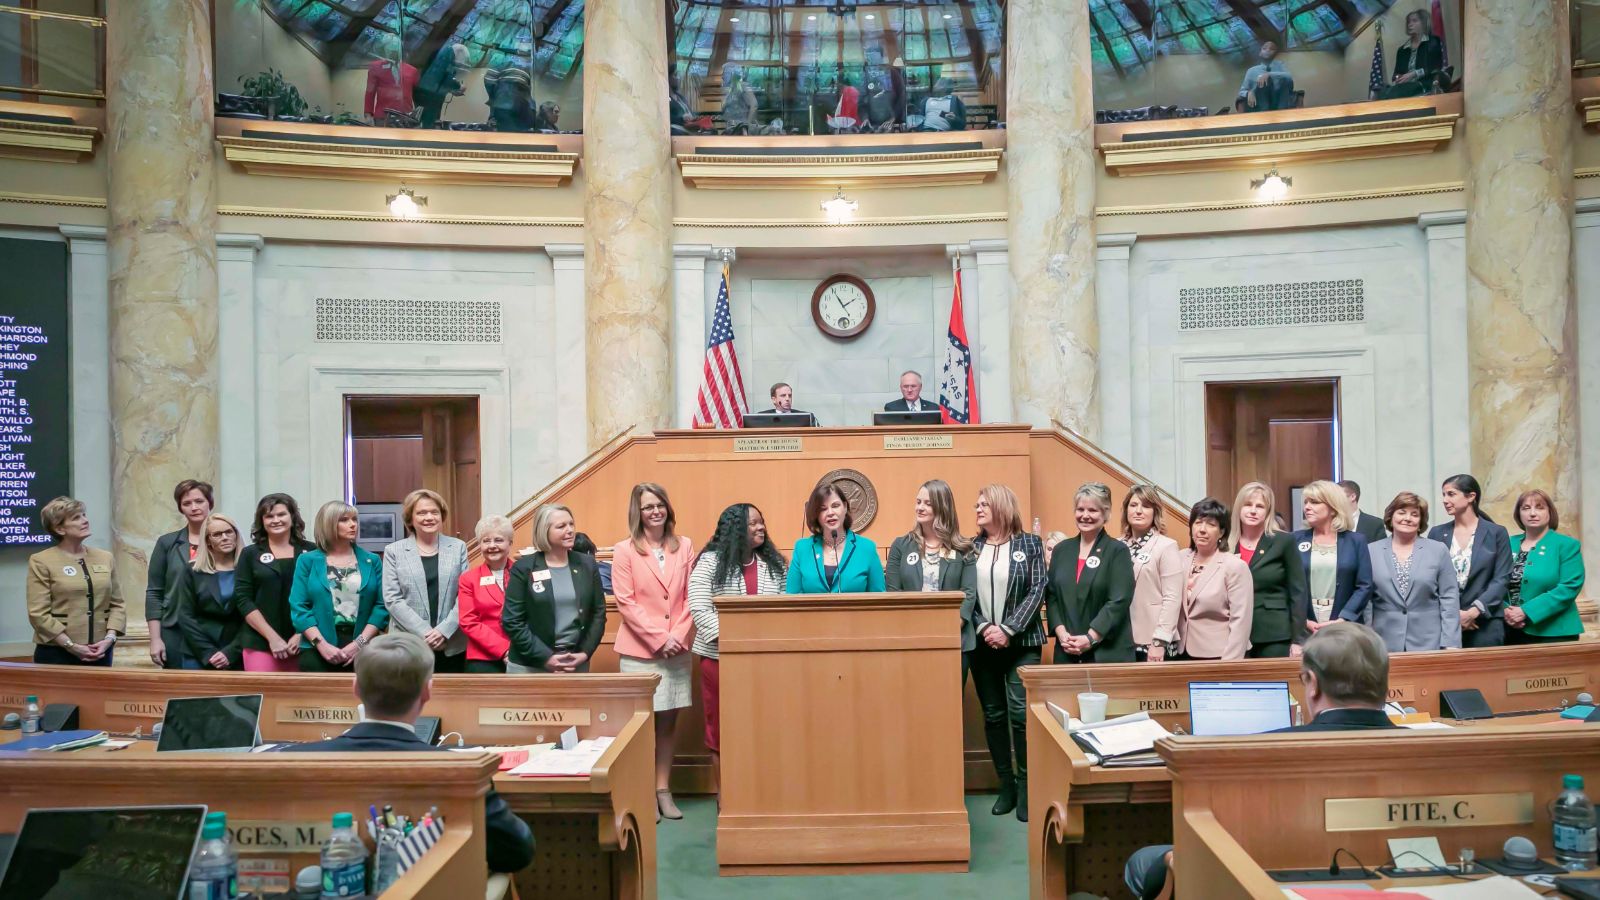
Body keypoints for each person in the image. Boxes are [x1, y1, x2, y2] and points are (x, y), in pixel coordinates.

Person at [1123, 622, 1395, 900]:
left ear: (1312, 684)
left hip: (1264, 883)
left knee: (1145, 860)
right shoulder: (1425, 748)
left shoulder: (1258, 752)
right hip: (1395, 883)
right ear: (1384, 684)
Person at [279, 632, 535, 875]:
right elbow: (517, 852)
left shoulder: (288, 761)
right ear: (427, 692)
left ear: (356, 688)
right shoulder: (463, 770)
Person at [612, 482, 697, 822]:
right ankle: (642, 791)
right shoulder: (624, 550)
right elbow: (626, 602)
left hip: (677, 650)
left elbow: (692, 595)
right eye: (648, 506)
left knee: (667, 724)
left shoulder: (684, 545)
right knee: (641, 727)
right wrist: (659, 639)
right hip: (640, 652)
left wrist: (677, 635)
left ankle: (663, 790)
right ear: (639, 512)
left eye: (659, 504)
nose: (655, 511)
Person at [687, 503, 786, 796]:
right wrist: (737, 642)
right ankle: (726, 797)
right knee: (721, 727)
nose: (761, 527)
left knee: (765, 726)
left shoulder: (774, 563)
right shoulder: (709, 562)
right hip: (720, 660)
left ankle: (762, 793)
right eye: (753, 523)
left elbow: (785, 606)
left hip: (767, 660)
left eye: (761, 521)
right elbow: (699, 608)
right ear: (735, 528)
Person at [969, 483, 1047, 823]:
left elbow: (1038, 588)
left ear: (1001, 506)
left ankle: (1027, 786)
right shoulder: (970, 548)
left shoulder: (1030, 544)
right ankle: (1007, 786)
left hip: (1022, 644)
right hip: (982, 644)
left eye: (984, 504)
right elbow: (965, 594)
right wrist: (985, 627)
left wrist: (1009, 629)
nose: (977, 509)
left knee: (1020, 715)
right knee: (994, 715)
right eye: (977, 504)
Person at [502, 504, 607, 677]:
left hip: (574, 662)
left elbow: (598, 613)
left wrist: (585, 652)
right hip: (529, 665)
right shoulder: (524, 568)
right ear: (544, 531)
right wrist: (545, 657)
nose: (570, 530)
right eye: (561, 526)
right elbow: (512, 621)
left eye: (571, 524)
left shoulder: (587, 564)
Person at [886, 480, 976, 673]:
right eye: (918, 502)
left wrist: (951, 627)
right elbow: (893, 592)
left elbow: (968, 593)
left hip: (955, 636)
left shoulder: (963, 548)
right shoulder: (901, 545)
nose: (920, 507)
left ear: (942, 507)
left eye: (928, 503)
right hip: (911, 637)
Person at [289, 501, 387, 672]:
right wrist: (321, 644)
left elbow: (381, 606)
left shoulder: (372, 560)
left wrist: (359, 643)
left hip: (363, 646)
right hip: (317, 647)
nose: (353, 524)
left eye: (354, 519)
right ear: (328, 524)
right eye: (344, 520)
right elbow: (299, 607)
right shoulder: (307, 561)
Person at [26, 496, 123, 666]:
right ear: (59, 528)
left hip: (100, 650)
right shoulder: (41, 561)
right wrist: (71, 646)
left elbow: (117, 604)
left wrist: (110, 638)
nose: (85, 520)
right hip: (57, 652)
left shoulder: (105, 557)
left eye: (84, 515)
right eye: (76, 518)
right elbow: (38, 614)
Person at [1046, 482, 1135, 664]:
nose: (1085, 515)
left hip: (1106, 654)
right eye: (1080, 509)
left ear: (1105, 514)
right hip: (1067, 650)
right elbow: (1052, 596)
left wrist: (1091, 637)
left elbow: (1119, 601)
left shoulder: (1117, 551)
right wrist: (1061, 634)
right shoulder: (1061, 550)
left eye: (1093, 510)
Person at [383, 489, 469, 674]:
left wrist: (443, 631)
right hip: (408, 644)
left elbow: (465, 595)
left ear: (441, 516)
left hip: (450, 643)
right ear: (410, 518)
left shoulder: (458, 547)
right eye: (422, 513)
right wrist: (426, 633)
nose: (429, 517)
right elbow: (392, 599)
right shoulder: (394, 551)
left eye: (434, 512)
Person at [1424, 474, 1511, 648]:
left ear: (1471, 496)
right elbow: (1429, 578)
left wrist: (1473, 612)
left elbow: (1502, 578)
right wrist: (1454, 615)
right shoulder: (1437, 533)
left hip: (1486, 621)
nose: (1445, 500)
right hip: (1445, 621)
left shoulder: (1496, 533)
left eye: (1451, 494)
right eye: (1443, 495)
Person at [1366, 492, 1459, 652]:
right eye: (1402, 512)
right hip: (1383, 641)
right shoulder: (1370, 551)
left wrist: (1451, 642)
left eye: (1415, 514)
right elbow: (1366, 601)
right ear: (1391, 516)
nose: (1408, 518)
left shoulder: (1438, 550)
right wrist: (1366, 640)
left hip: (1429, 642)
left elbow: (1449, 598)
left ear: (1421, 521)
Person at [236, 493, 317, 672]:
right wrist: (272, 637)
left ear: (292, 517)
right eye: (269, 516)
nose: (276, 520)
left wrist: (302, 633)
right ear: (262, 521)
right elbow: (243, 600)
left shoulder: (312, 551)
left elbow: (319, 596)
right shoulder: (250, 554)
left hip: (305, 642)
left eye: (281, 514)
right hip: (260, 641)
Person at [1232, 482, 1311, 659]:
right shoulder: (1226, 542)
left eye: (1260, 506)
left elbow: (1298, 592)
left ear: (1268, 511)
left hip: (1274, 633)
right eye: (1248, 505)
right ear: (1238, 508)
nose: (1253, 511)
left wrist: (1298, 640)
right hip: (1232, 633)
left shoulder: (1283, 541)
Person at [145, 478, 213, 668]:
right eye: (187, 503)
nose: (194, 507)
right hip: (175, 630)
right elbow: (154, 593)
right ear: (180, 508)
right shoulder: (167, 543)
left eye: (199, 501)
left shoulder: (226, 540)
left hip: (215, 629)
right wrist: (155, 639)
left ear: (210, 503)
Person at [1175, 498, 1253, 661]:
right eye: (1198, 523)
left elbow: (1241, 620)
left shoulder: (1234, 566)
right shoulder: (1179, 558)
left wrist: (1230, 662)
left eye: (1211, 524)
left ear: (1222, 532)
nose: (1202, 530)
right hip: (1180, 652)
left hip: (1219, 654)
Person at [1505, 489, 1586, 644]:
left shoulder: (1567, 545)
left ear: (1550, 512)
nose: (1532, 513)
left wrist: (1526, 611)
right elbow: (1493, 581)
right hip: (1509, 630)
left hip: (1554, 632)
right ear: (1519, 514)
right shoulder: (1507, 543)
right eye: (1526, 508)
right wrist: (1505, 611)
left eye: (1539, 507)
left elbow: (1569, 586)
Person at [1292, 480, 1374, 631]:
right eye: (1306, 502)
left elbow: (1364, 586)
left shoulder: (1356, 541)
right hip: (1304, 625)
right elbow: (1287, 585)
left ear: (1333, 508)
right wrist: (1303, 620)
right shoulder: (1294, 540)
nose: (1307, 507)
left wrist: (1344, 618)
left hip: (1346, 625)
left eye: (1314, 502)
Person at [173, 513, 246, 671]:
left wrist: (231, 652)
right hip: (197, 653)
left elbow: (254, 616)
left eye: (229, 532)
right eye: (217, 534)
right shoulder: (193, 571)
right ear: (207, 541)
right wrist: (208, 653)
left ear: (236, 535)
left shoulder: (249, 570)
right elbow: (185, 615)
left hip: (238, 652)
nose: (225, 538)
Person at [786, 481, 886, 593]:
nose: (830, 512)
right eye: (823, 509)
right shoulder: (802, 548)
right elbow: (792, 596)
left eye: (835, 506)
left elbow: (879, 598)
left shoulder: (867, 548)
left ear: (845, 507)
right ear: (816, 514)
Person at [1121, 485, 1181, 663]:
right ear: (1126, 510)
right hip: (1120, 637)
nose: (1138, 511)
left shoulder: (1166, 546)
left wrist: (1159, 641)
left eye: (1146, 506)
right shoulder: (1116, 545)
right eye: (1133, 505)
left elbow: (1172, 598)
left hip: (1153, 640)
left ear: (1155, 512)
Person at [457, 514, 517, 673]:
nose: (492, 545)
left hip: (523, 652)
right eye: (486, 541)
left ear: (510, 543)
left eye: (498, 540)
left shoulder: (525, 573)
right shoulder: (468, 579)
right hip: (483, 658)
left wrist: (519, 648)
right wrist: (504, 649)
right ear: (479, 545)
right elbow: (468, 621)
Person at [1380, 10, 1446, 99]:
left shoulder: (1433, 41)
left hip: (1425, 84)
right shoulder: (1402, 50)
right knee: (1382, 92)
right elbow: (1396, 74)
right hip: (1404, 87)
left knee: (1393, 93)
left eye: (1414, 21)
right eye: (1408, 22)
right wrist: (1398, 77)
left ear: (1423, 23)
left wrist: (1414, 73)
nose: (1410, 24)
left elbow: (1435, 66)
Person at [417, 43, 468, 127]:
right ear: (459, 53)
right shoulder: (449, 57)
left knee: (423, 114)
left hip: (426, 87)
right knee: (429, 117)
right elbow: (448, 76)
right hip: (434, 93)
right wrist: (459, 86)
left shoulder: (443, 52)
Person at [1237, 40, 1295, 111]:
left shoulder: (1280, 65)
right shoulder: (1251, 71)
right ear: (1260, 53)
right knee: (1263, 85)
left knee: (1284, 80)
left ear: (1275, 54)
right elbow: (1242, 91)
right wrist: (1249, 93)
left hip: (1279, 103)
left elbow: (1289, 77)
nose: (1268, 50)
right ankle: (1265, 113)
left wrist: (1269, 74)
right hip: (1260, 105)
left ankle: (1280, 112)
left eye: (1272, 49)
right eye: (1264, 48)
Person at [1338, 480, 1389, 545]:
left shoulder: (1375, 524)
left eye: (1337, 496)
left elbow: (1381, 550)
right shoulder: (1330, 523)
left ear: (1352, 497)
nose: (1333, 500)